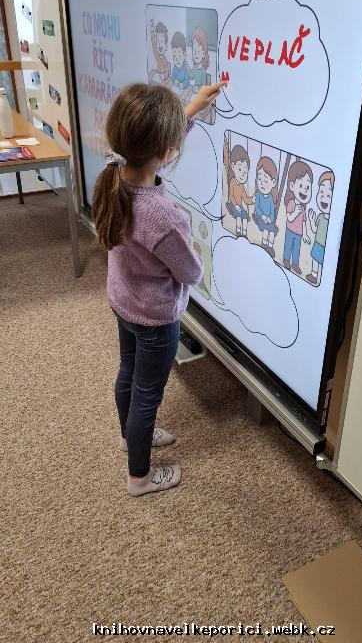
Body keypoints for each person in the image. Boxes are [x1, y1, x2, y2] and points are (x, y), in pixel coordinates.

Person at [92, 80, 226, 496]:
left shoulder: (114, 175)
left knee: (128, 373)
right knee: (147, 394)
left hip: (124, 302)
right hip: (154, 319)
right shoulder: (162, 215)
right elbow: (191, 273)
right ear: (165, 153)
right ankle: (140, 477)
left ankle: (128, 436)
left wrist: (191, 109)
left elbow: (149, 145)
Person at [283, 160, 313, 275]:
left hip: (299, 234)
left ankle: (295, 264)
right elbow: (289, 218)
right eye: (301, 185)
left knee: (296, 250)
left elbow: (304, 222)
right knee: (288, 246)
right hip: (290, 230)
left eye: (308, 187)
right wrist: (295, 212)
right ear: (292, 186)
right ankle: (286, 260)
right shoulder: (291, 203)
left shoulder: (303, 208)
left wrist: (305, 234)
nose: (305, 189)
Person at [306, 170, 334, 285]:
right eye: (321, 192)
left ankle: (320, 277)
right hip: (317, 243)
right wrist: (311, 221)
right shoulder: (320, 216)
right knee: (314, 259)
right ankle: (313, 275)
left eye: (328, 195)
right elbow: (315, 230)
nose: (323, 197)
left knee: (321, 262)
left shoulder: (330, 221)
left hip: (324, 246)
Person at [226, 144, 254, 236]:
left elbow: (245, 198)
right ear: (233, 167)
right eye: (240, 169)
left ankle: (244, 234)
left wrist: (252, 200)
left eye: (245, 172)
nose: (243, 174)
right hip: (233, 206)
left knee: (245, 218)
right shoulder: (233, 182)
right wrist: (236, 205)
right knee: (238, 218)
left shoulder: (241, 186)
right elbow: (231, 196)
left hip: (240, 207)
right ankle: (238, 232)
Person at [254, 156, 279, 258]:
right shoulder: (258, 195)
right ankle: (264, 244)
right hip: (260, 218)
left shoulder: (270, 198)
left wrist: (270, 219)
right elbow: (257, 208)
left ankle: (270, 246)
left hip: (268, 220)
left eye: (265, 180)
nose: (262, 183)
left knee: (272, 232)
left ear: (273, 183)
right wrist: (263, 216)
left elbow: (272, 212)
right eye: (260, 179)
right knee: (265, 231)